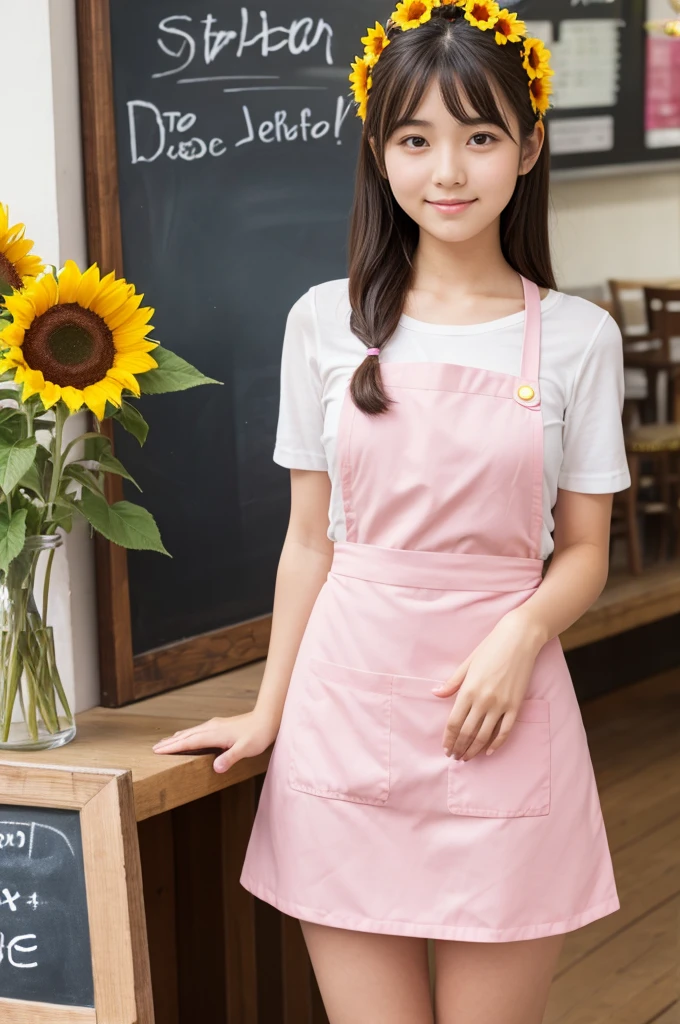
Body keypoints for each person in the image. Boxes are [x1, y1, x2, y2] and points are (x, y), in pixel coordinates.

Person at [153, 2, 632, 1021]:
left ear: (526, 148)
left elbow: (585, 549)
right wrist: (269, 710)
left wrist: (519, 635)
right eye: (414, 139)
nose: (446, 171)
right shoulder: (322, 321)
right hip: (344, 719)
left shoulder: (578, 337)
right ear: (377, 150)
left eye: (479, 137)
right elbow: (305, 541)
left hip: (502, 718)